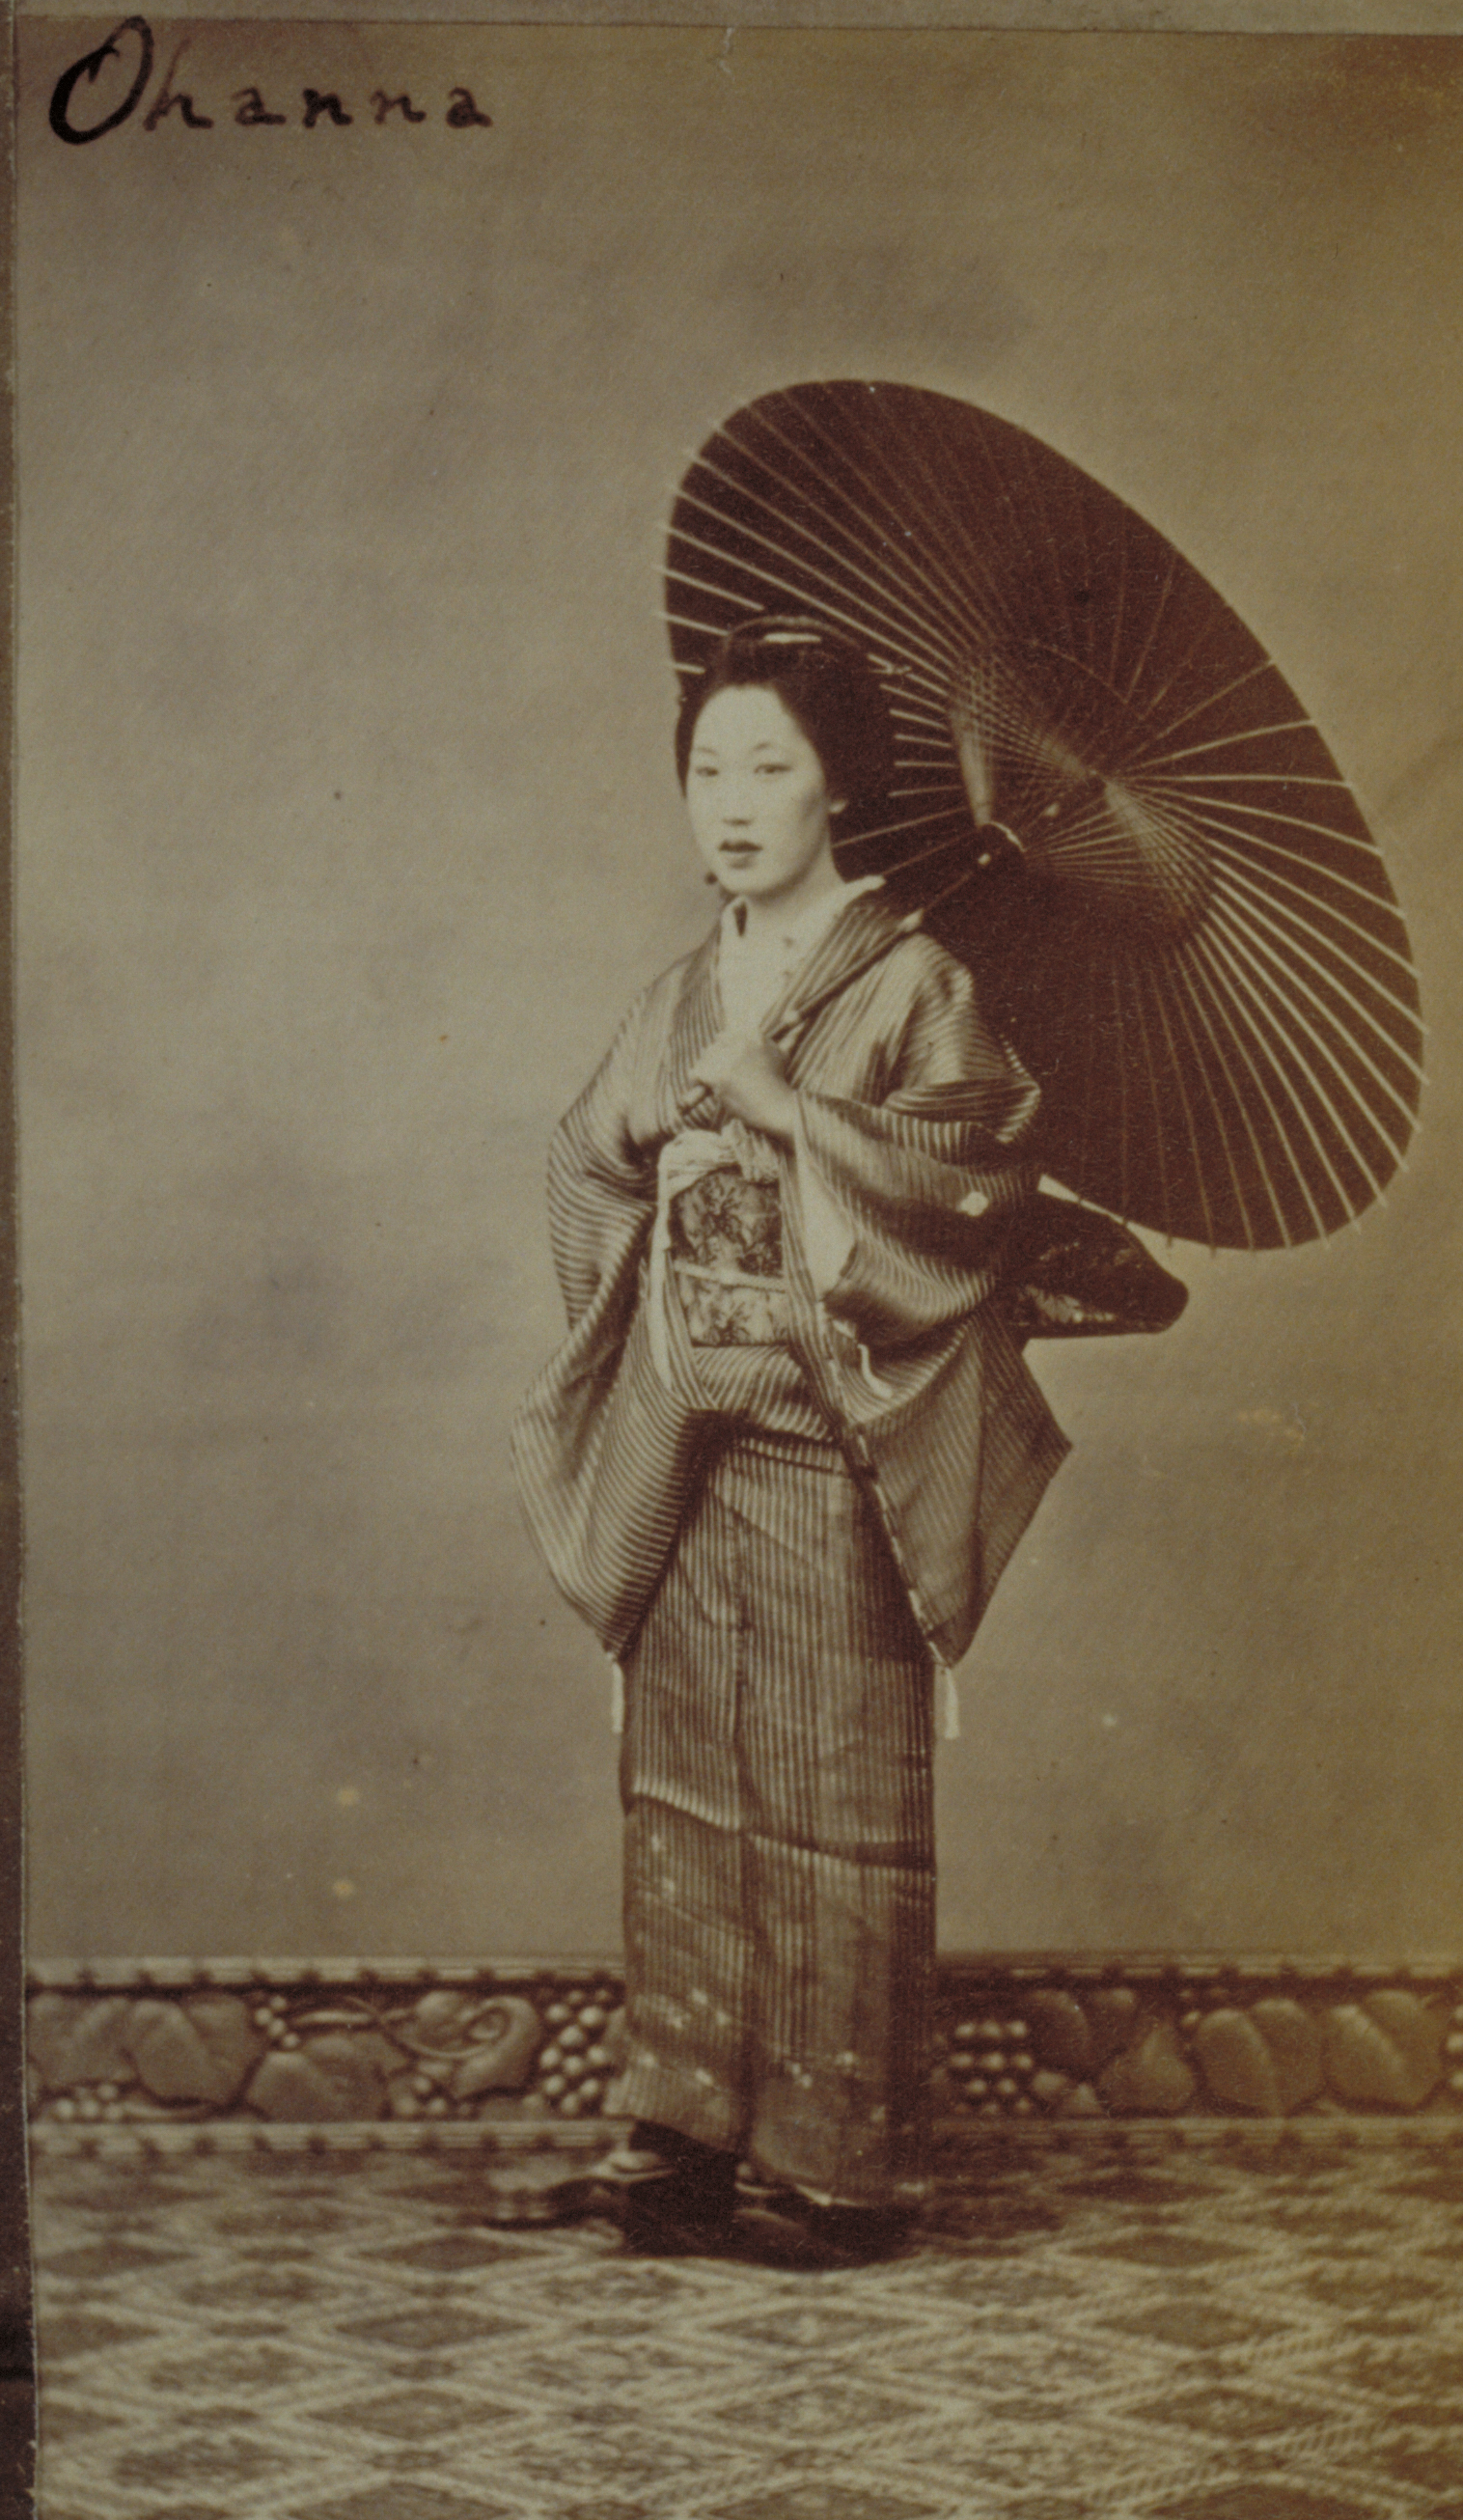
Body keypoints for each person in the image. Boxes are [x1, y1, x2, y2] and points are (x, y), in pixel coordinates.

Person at [512, 618, 1069, 2263]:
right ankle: (683, 2140)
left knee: (830, 1791)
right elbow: (580, 1163)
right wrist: (661, 1197)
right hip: (686, 1432)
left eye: (771, 765)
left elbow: (981, 1185)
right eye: (708, 768)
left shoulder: (917, 978)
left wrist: (789, 1118)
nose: (733, 803)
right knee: (685, 1786)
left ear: (842, 784)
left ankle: (842, 2174)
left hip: (834, 1448)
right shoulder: (688, 989)